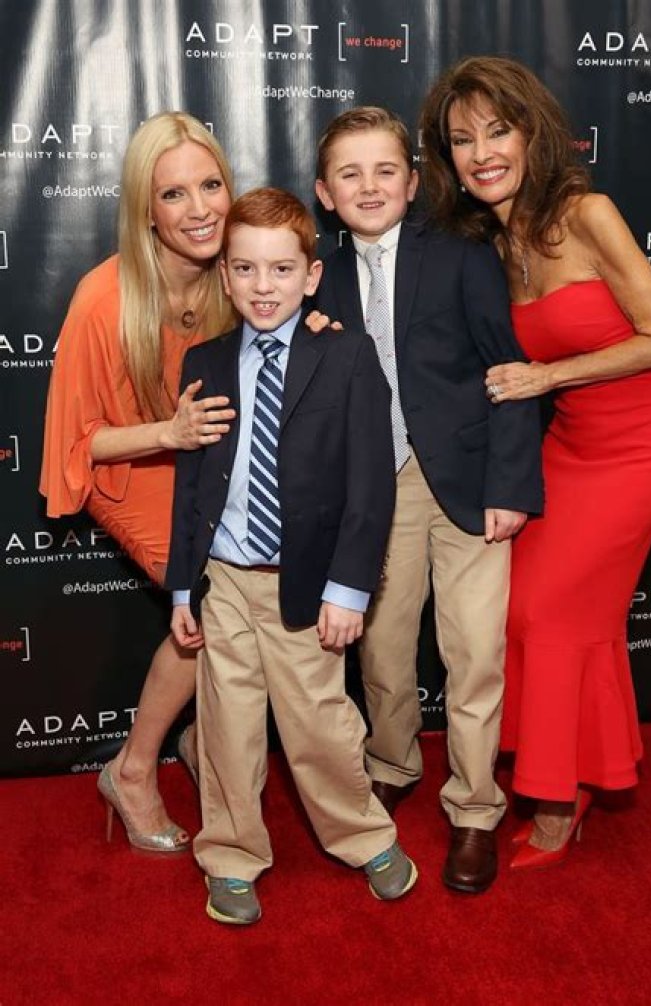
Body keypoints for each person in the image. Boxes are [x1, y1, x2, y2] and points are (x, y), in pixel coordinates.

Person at [420, 56, 651, 868]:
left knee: (553, 614)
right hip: (568, 445)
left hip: (641, 443)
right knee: (526, 611)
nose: (482, 153)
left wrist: (546, 377)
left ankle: (558, 799)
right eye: (462, 139)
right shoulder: (488, 244)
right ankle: (574, 769)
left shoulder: (586, 214)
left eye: (497, 131)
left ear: (532, 132)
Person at [166, 187, 417, 924]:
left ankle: (365, 836)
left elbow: (371, 484)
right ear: (225, 277)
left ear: (311, 276)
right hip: (224, 578)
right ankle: (230, 854)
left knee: (318, 723)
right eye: (245, 269)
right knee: (227, 724)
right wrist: (182, 588)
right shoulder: (206, 361)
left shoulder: (346, 355)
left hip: (304, 584)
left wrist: (350, 588)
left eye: (281, 270)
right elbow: (192, 485)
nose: (263, 286)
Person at [314, 107, 543, 894]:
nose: (369, 186)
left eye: (386, 170)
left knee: (474, 652)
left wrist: (510, 485)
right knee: (381, 648)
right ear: (325, 193)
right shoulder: (316, 279)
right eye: (350, 174)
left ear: (412, 183)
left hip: (470, 484)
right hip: (376, 486)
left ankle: (475, 808)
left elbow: (509, 372)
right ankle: (391, 761)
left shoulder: (461, 255)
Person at [40, 112, 240, 852]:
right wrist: (169, 434)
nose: (200, 210)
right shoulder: (104, 298)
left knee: (259, 582)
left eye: (210, 186)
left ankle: (198, 740)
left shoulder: (234, 272)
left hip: (203, 461)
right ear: (146, 211)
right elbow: (77, 444)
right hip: (128, 469)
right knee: (214, 602)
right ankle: (130, 770)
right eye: (174, 195)